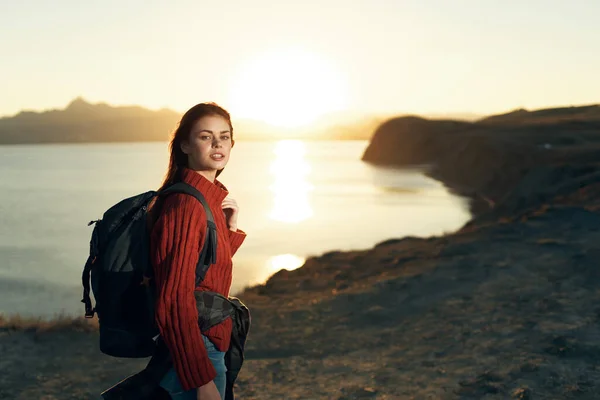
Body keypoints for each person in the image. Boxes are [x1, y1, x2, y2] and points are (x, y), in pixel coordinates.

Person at [149, 102, 246, 400]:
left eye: (224, 136)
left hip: (209, 339)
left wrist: (228, 231)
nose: (218, 143)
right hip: (198, 349)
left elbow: (206, 272)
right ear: (185, 145)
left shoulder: (206, 198)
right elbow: (174, 298)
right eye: (206, 136)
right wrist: (201, 380)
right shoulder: (186, 205)